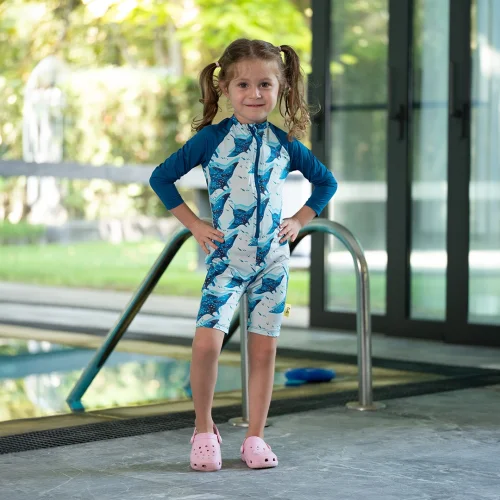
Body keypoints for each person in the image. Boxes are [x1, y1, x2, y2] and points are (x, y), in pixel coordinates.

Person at [149, 38, 338, 471]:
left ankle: (255, 436)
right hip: (226, 263)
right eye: (243, 85)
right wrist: (195, 224)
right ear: (225, 89)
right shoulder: (211, 139)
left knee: (265, 352)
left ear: (281, 87)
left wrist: (300, 219)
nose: (255, 94)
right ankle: (203, 428)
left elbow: (326, 182)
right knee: (205, 346)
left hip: (273, 263)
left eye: (265, 84)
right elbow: (161, 178)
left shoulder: (284, 142)